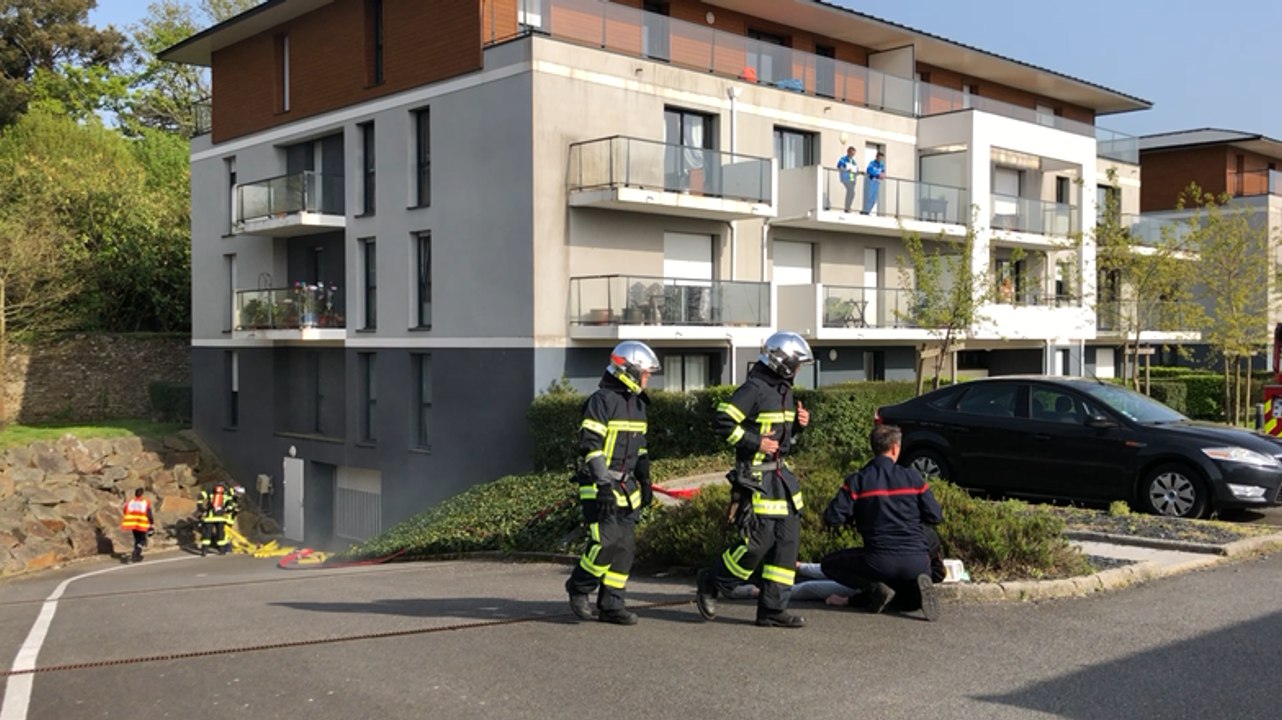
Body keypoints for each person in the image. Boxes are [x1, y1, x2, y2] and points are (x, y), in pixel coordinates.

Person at [696, 331, 814, 629]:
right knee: (756, 544)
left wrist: (798, 427)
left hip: (781, 478)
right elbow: (722, 422)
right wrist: (754, 442)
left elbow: (782, 440)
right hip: (756, 478)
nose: (799, 368)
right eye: (797, 363)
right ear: (783, 363)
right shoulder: (755, 388)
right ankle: (712, 582)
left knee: (786, 544)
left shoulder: (784, 392)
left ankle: (772, 609)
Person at [565, 341, 662, 626]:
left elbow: (640, 447)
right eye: (645, 373)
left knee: (625, 547)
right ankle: (579, 587)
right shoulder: (601, 401)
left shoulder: (638, 404)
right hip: (599, 486)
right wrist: (603, 484)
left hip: (627, 487)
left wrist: (645, 479)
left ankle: (612, 605)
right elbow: (591, 446)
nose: (648, 378)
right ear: (628, 371)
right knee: (606, 542)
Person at [820, 424, 944, 621]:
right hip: (917, 560)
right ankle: (920, 585)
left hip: (878, 561)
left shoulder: (857, 481)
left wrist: (856, 517)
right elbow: (935, 517)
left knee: (828, 564)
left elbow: (832, 518)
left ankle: (874, 589)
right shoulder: (913, 477)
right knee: (931, 538)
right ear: (895, 448)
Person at [197, 483, 239, 556]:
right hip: (220, 518)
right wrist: (228, 510)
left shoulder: (210, 492)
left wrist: (200, 506)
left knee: (207, 534)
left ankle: (204, 551)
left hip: (209, 517)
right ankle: (222, 551)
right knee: (220, 534)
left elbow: (201, 496)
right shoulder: (226, 495)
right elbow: (229, 506)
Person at [120, 487, 155, 563]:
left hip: (133, 524)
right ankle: (136, 553)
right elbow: (149, 514)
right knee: (142, 540)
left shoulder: (130, 503)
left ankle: (137, 555)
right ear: (142, 494)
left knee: (137, 539)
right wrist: (151, 524)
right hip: (141, 523)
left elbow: (125, 511)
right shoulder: (145, 502)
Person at [836, 146, 859, 213]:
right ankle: (847, 208)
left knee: (852, 193)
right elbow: (839, 165)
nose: (852, 155)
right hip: (846, 178)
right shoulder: (843, 159)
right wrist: (846, 168)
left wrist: (857, 171)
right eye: (852, 153)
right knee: (850, 191)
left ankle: (848, 207)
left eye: (854, 154)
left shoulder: (853, 161)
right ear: (848, 152)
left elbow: (855, 169)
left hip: (852, 179)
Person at [862, 150, 885, 215]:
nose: (880, 159)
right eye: (879, 158)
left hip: (877, 182)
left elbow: (883, 172)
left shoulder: (882, 165)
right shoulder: (872, 163)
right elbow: (869, 170)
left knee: (874, 199)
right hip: (871, 181)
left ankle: (868, 211)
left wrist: (882, 175)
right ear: (877, 157)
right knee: (869, 197)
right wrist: (878, 174)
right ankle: (865, 211)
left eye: (881, 158)